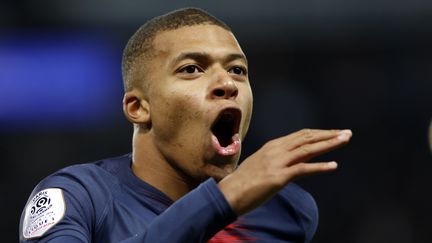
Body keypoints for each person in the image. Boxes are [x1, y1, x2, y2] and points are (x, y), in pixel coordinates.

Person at [19, 7, 352, 243]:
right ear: (138, 108)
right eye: (192, 69)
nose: (228, 83)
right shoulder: (80, 196)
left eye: (237, 70)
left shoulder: (285, 209)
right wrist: (224, 200)